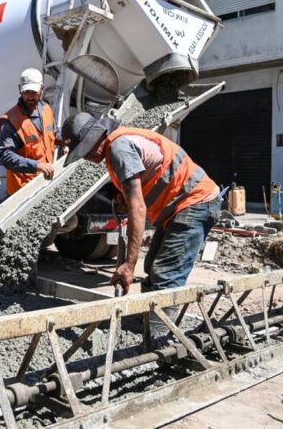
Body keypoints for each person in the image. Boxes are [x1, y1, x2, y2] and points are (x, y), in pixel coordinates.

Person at [61, 112, 220, 345]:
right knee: (153, 266)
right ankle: (148, 325)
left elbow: (138, 208)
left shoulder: (118, 149)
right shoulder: (116, 145)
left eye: (84, 150)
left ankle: (158, 344)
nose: (85, 157)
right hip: (179, 208)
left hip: (195, 202)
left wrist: (128, 264)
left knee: (165, 274)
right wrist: (122, 196)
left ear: (95, 139)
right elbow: (144, 182)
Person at [0, 68, 60, 195]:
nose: (30, 96)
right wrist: (37, 166)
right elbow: (5, 155)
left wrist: (66, 141)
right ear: (20, 89)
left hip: (45, 183)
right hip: (22, 190)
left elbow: (54, 133)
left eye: (34, 92)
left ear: (42, 89)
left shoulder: (46, 110)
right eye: (26, 92)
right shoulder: (11, 121)